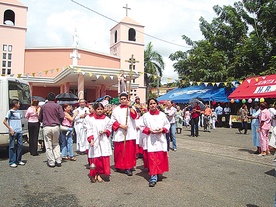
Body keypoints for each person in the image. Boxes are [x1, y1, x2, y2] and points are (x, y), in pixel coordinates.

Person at [141, 98, 170, 187]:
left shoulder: (162, 115)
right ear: (148, 105)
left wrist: (162, 129)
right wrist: (149, 130)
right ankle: (153, 177)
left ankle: (157, 173)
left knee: (160, 157)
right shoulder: (145, 116)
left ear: (157, 104)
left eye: (154, 103)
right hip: (150, 139)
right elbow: (141, 126)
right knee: (152, 158)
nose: (152, 105)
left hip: (160, 139)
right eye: (150, 104)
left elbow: (167, 124)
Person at [110, 92, 137, 176]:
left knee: (129, 152)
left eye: (124, 99)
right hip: (119, 132)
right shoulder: (116, 109)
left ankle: (128, 167)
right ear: (119, 100)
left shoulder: (131, 108)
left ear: (127, 99)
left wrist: (130, 106)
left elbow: (134, 116)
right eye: (121, 99)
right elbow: (112, 121)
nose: (123, 100)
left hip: (129, 133)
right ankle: (119, 165)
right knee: (120, 151)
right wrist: (121, 126)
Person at [84, 102, 112, 183]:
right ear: (95, 110)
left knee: (102, 158)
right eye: (98, 109)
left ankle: (99, 174)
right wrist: (91, 139)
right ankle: (93, 174)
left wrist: (105, 131)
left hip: (103, 141)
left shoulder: (106, 119)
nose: (100, 111)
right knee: (95, 159)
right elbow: (89, 130)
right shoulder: (91, 120)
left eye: (101, 109)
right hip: (95, 141)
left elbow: (109, 128)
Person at [39, 92, 65, 167]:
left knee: (48, 145)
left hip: (47, 126)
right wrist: (59, 122)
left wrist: (43, 121)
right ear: (55, 99)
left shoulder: (43, 106)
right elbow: (62, 116)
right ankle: (58, 159)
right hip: (56, 126)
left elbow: (40, 117)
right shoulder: (58, 106)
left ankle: (51, 161)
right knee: (56, 143)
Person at [3, 99, 25, 168]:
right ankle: (12, 161)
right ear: (15, 104)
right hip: (13, 131)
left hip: (19, 131)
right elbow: (4, 121)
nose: (19, 105)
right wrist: (10, 129)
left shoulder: (18, 112)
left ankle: (18, 160)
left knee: (20, 146)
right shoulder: (10, 112)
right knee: (12, 146)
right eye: (18, 103)